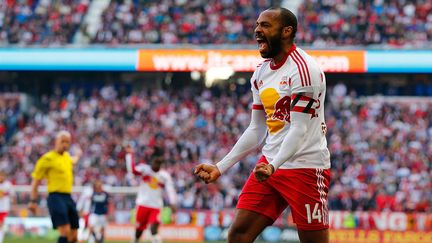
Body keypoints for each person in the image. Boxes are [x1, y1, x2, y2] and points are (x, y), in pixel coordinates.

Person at [194, 7, 330, 243]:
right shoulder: (261, 73)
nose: (257, 30)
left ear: (287, 31)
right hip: (269, 166)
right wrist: (220, 166)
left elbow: (299, 129)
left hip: (305, 166)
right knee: (238, 234)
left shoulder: (305, 69)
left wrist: (274, 165)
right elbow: (257, 129)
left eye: (265, 25)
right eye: (257, 25)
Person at [29, 131, 82, 243]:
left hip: (68, 197)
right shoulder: (47, 159)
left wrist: (78, 155)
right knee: (65, 232)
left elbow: (74, 160)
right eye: (62, 141)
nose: (65, 144)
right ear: (56, 142)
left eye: (67, 142)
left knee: (74, 235)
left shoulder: (67, 157)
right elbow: (36, 181)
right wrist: (33, 201)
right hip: (55, 197)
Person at [125, 145, 177, 243]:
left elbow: (171, 191)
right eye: (155, 162)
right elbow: (132, 170)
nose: (156, 165)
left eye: (158, 163)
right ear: (151, 161)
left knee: (154, 230)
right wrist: (129, 154)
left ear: (161, 164)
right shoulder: (145, 170)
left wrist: (173, 205)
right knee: (138, 232)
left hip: (156, 206)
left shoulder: (165, 176)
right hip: (143, 204)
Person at [0, 171, 14, 243]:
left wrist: (13, 205)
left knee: (1, 224)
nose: (1, 177)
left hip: (4, 208)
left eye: (2, 176)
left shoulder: (8, 185)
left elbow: (12, 195)